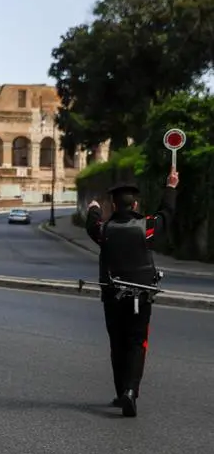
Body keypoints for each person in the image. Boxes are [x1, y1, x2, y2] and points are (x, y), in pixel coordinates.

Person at [85, 167, 179, 417]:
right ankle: (130, 392)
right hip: (141, 295)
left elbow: (91, 223)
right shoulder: (146, 227)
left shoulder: (104, 231)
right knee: (138, 343)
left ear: (113, 205)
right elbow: (166, 214)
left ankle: (120, 393)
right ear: (135, 204)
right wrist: (170, 187)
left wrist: (94, 207)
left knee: (117, 344)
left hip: (112, 297)